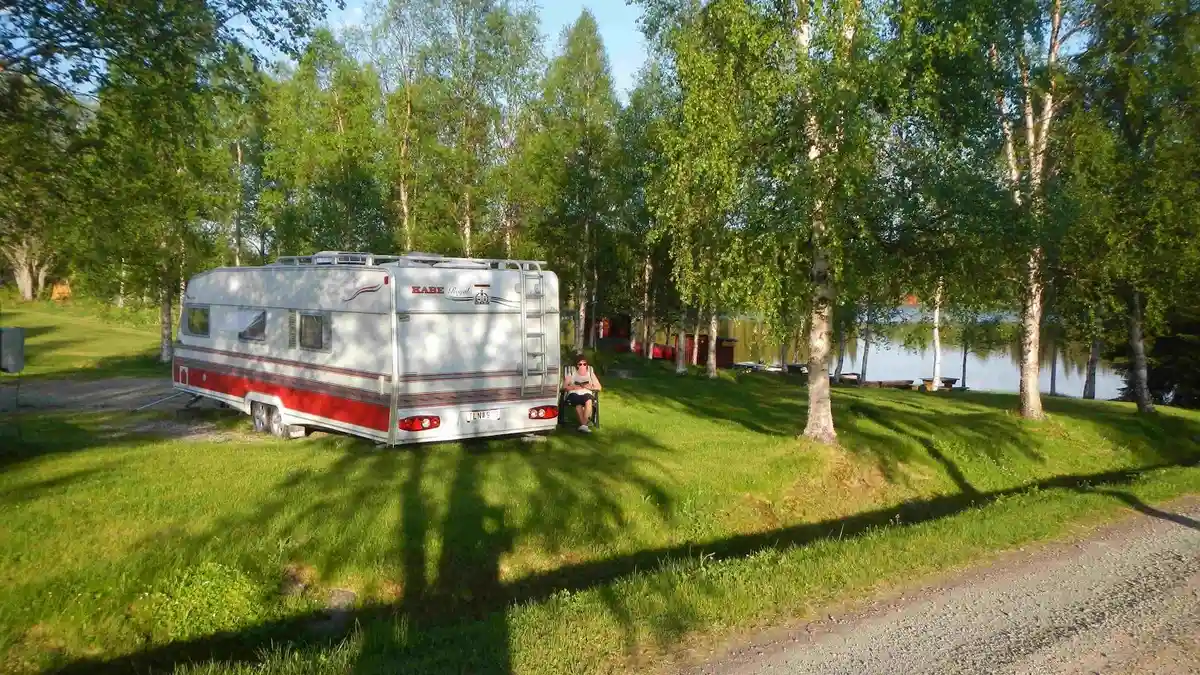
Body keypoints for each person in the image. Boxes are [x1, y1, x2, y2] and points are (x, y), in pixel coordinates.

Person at [562, 353, 601, 433]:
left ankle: (583, 425)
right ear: (577, 365)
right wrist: (574, 387)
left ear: (587, 365)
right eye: (580, 364)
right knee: (578, 403)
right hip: (574, 392)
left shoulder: (590, 373)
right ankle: (584, 425)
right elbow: (564, 386)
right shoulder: (572, 373)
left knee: (589, 401)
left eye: (584, 364)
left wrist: (588, 386)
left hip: (586, 392)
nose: (582, 366)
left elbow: (599, 387)